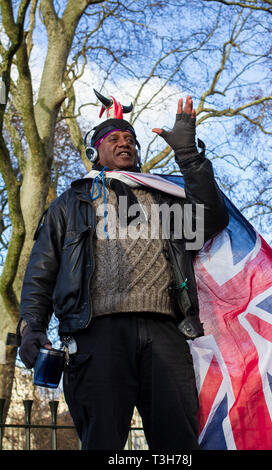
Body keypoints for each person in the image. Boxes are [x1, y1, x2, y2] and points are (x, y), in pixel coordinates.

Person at [17, 95, 229, 450]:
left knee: (179, 443)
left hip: (165, 332)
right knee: (103, 441)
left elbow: (211, 220)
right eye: (113, 139)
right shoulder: (70, 204)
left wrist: (189, 156)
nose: (124, 143)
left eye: (130, 139)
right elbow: (41, 273)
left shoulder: (163, 199)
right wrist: (31, 327)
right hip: (96, 334)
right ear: (94, 152)